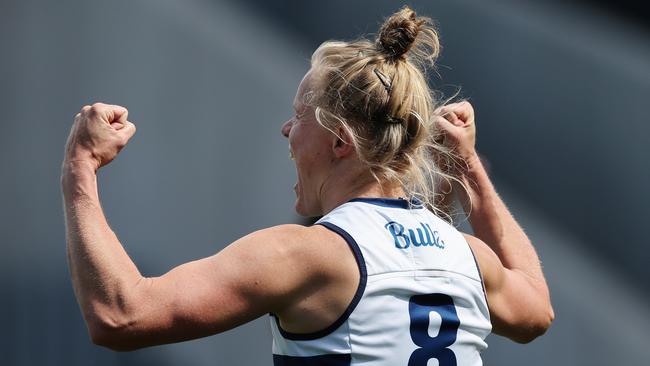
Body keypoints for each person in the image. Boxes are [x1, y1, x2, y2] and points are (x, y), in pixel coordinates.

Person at [61, 6, 553, 365]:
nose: (286, 130)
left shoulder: (306, 255)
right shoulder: (466, 256)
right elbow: (537, 310)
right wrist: (467, 166)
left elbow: (121, 315)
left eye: (298, 116)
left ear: (340, 141)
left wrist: (79, 169)